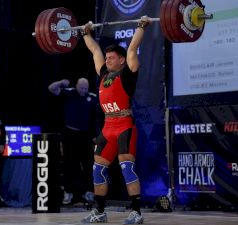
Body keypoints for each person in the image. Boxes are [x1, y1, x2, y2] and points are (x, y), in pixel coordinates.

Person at [80, 16, 151, 224]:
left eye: (112, 57)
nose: (108, 60)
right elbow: (94, 51)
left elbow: (132, 49)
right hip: (107, 128)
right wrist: (85, 32)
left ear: (121, 60)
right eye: (108, 57)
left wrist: (141, 26)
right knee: (97, 170)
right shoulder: (103, 74)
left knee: (127, 168)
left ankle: (136, 212)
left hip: (124, 127)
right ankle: (100, 212)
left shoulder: (128, 74)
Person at [48, 78, 98, 205]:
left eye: (85, 88)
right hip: (70, 134)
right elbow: (51, 88)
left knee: (88, 164)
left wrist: (95, 135)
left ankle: (89, 192)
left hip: (85, 135)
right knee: (69, 164)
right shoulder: (69, 92)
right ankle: (68, 192)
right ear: (76, 86)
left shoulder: (92, 97)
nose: (83, 91)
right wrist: (60, 82)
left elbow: (95, 118)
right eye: (81, 88)